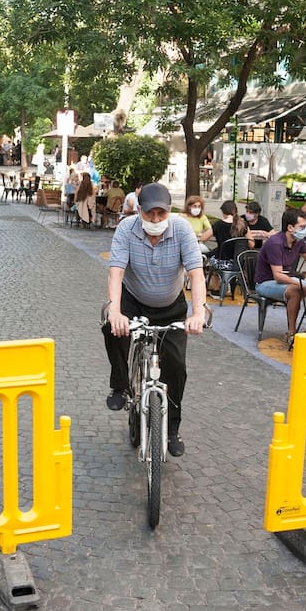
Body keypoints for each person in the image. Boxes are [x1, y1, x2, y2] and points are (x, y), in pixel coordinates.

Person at [103, 183, 206, 457]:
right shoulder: (126, 229)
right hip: (134, 300)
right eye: (150, 214)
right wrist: (115, 311)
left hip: (171, 305)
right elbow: (116, 273)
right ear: (139, 211)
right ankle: (120, 385)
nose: (156, 219)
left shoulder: (182, 229)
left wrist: (198, 313)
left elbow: (196, 274)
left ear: (170, 211)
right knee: (111, 327)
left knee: (177, 367)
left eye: (162, 213)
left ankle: (171, 430)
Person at [255, 208, 306, 347]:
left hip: (285, 279)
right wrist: (301, 284)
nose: (305, 230)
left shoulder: (298, 240)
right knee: (295, 290)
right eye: (302, 227)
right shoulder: (275, 243)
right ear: (290, 228)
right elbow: (278, 276)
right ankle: (291, 332)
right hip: (265, 283)